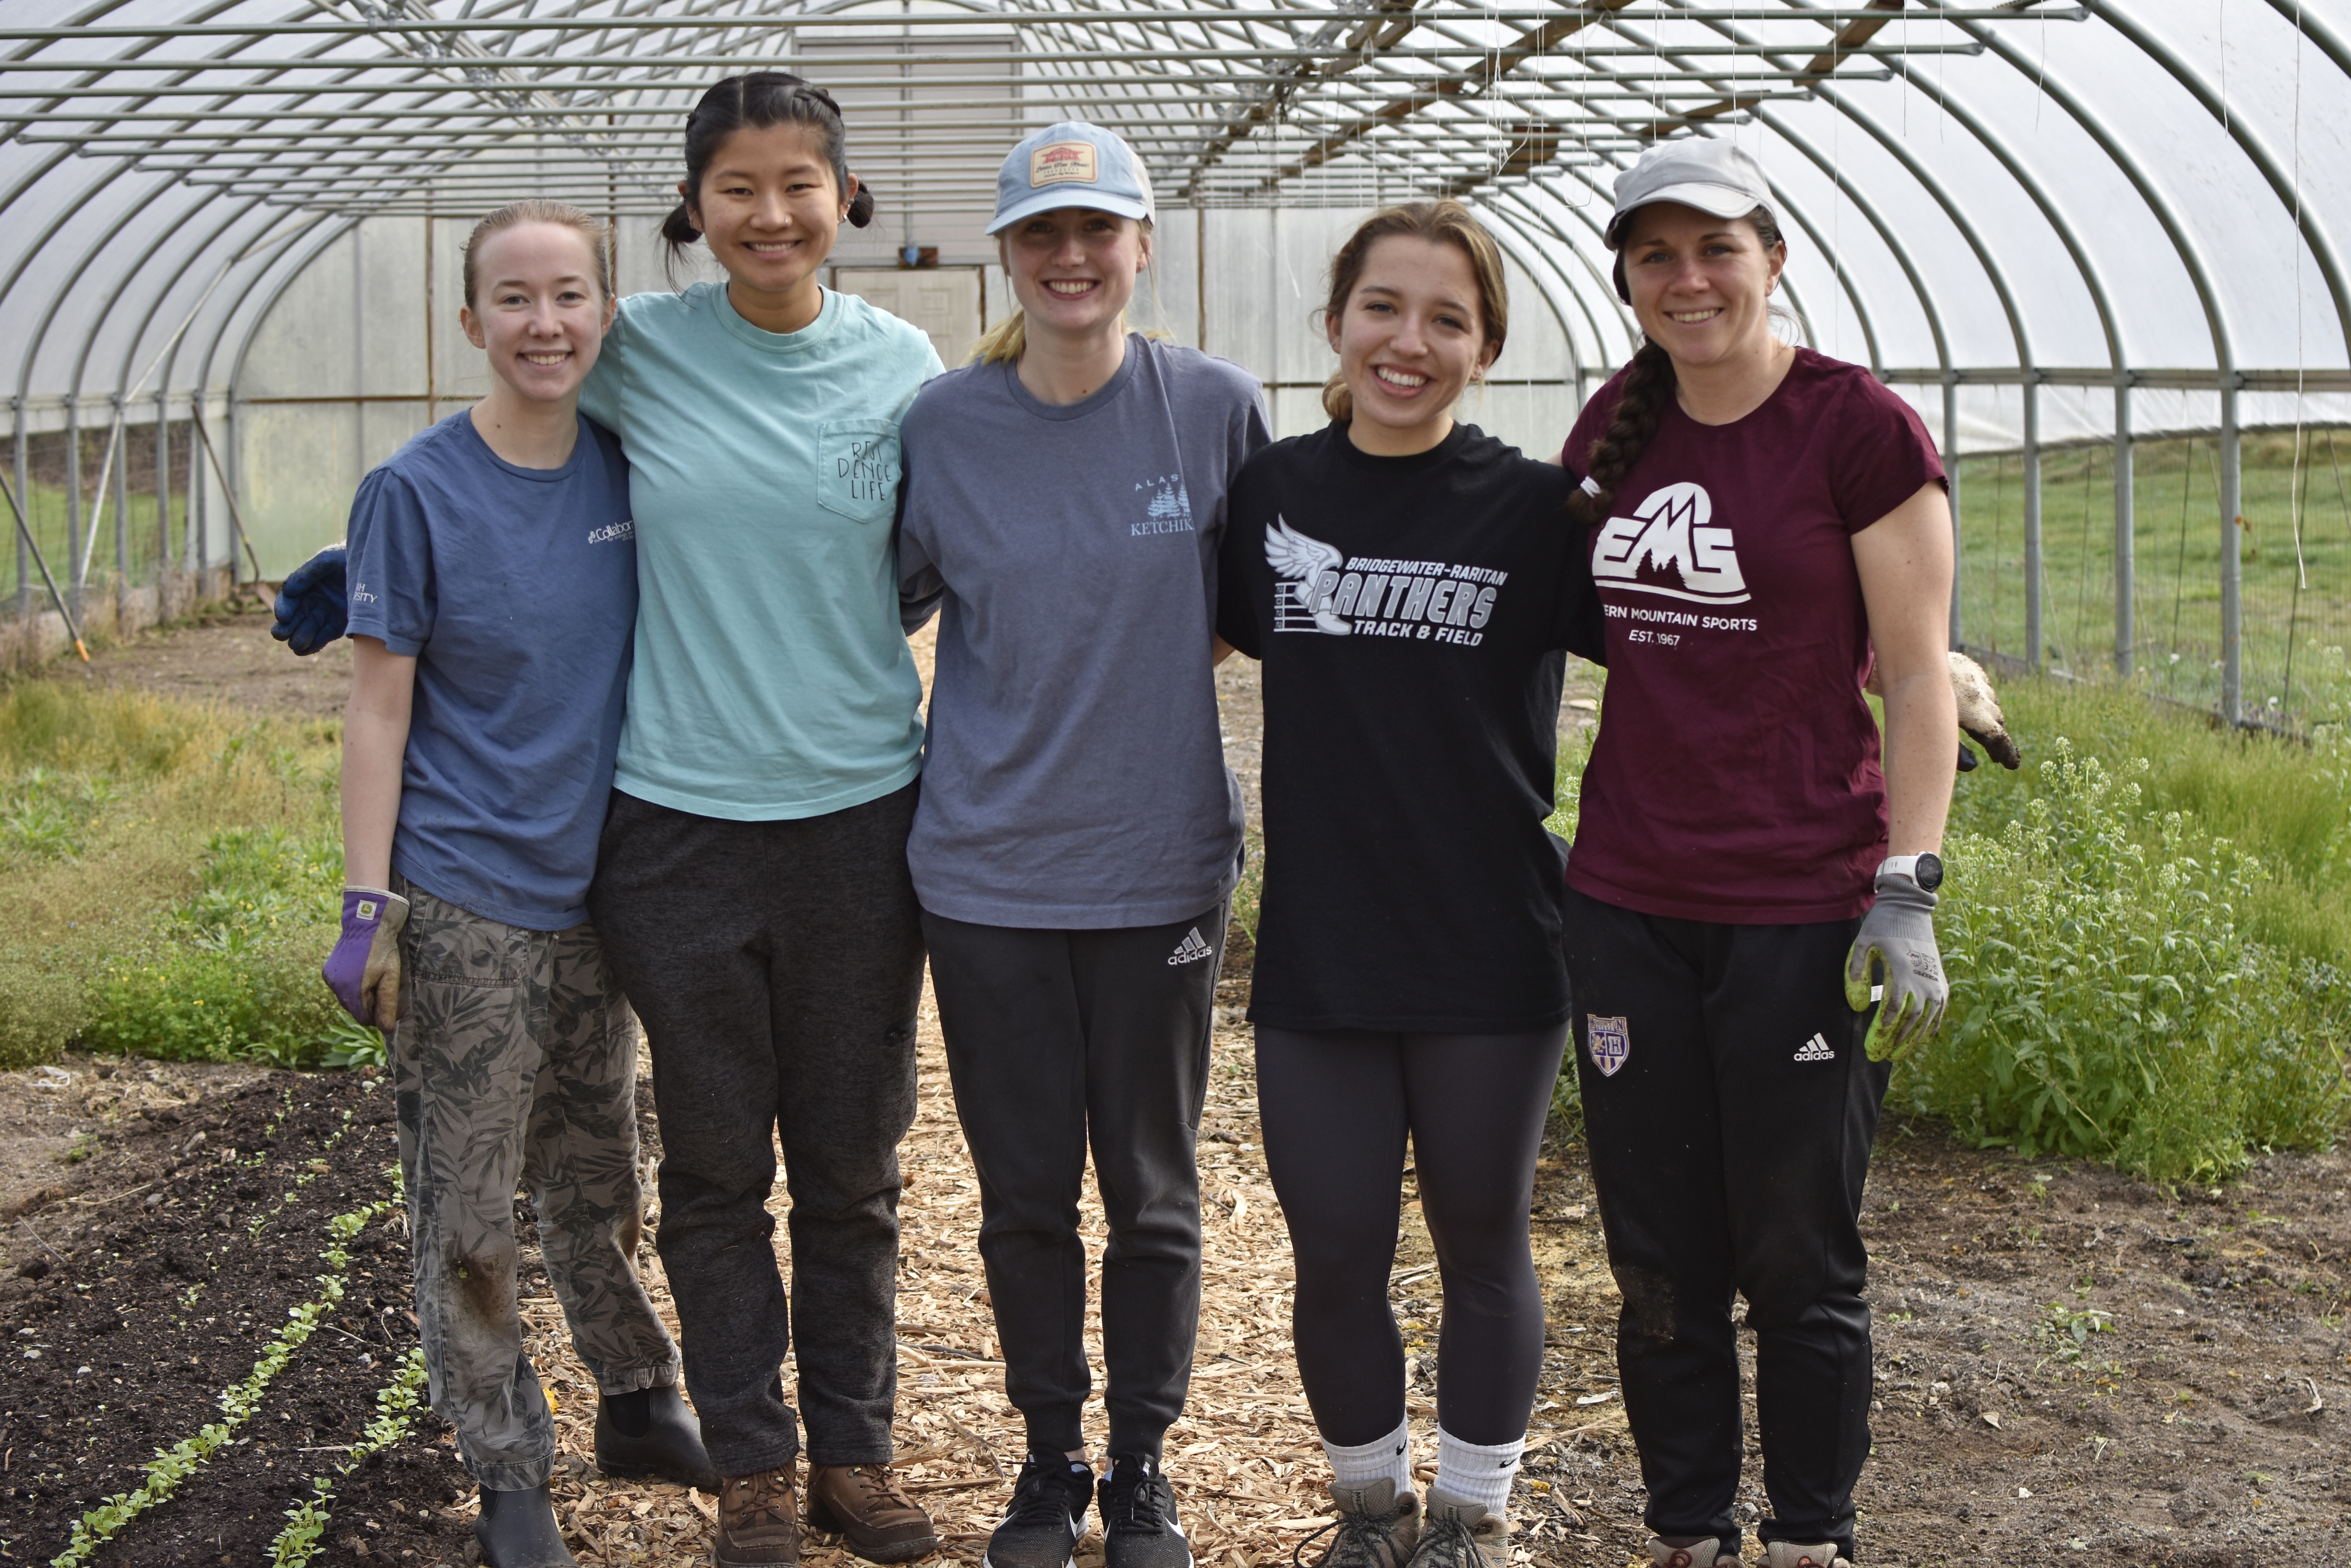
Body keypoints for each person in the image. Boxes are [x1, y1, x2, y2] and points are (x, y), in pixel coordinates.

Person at [1557, 138, 1957, 1568]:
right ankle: (1687, 1533)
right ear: (1627, 279)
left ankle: (1807, 1536)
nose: (1688, 278)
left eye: (1715, 247)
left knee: (1797, 1257)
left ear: (1773, 258)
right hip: (1625, 900)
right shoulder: (1615, 423)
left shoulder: (1855, 429)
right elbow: (1576, 632)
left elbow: (1915, 679)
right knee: (1659, 1257)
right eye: (1655, 255)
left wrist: (1903, 893)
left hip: (1801, 906)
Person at [571, 72, 947, 1568]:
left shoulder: (903, 364)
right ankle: (754, 1470)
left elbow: (932, 558)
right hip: (673, 824)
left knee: (853, 1164)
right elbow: (518, 459)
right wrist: (383, 551)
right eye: (739, 187)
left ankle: (856, 1452)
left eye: (801, 184)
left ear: (844, 198)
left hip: (861, 811)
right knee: (717, 1167)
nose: (772, 214)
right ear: (696, 208)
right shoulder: (638, 355)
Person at [894, 122, 1269, 1568]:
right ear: (1006, 254)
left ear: (1141, 247)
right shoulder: (944, 425)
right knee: (1024, 1193)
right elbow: (885, 607)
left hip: (1160, 865)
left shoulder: (1212, 408)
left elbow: (1257, 606)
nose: (1070, 258)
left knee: (1155, 1191)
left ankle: (1143, 1466)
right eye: (1042, 234)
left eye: (1097, 230)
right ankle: (1049, 1459)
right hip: (985, 874)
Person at [1215, 201, 1606, 1568]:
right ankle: (1368, 1511)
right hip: (1323, 946)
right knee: (1334, 1246)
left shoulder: (1536, 507)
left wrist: (1904, 664)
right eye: (1383, 308)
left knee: (1484, 1239)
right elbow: (1161, 642)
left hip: (1491, 941)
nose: (1408, 341)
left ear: (1485, 348)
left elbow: (1697, 639)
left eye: (1447, 319)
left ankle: (1470, 1516)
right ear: (1334, 324)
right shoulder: (1275, 496)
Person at [326, 199, 715, 1568]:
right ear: (470, 321)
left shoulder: (630, 468)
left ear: (607, 312)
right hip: (466, 901)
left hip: (601, 895)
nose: (543, 323)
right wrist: (369, 908)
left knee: (598, 1171)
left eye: (568, 296)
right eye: (513, 298)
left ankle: (636, 1398)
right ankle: (506, 1472)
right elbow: (377, 714)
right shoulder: (417, 491)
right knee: (469, 1206)